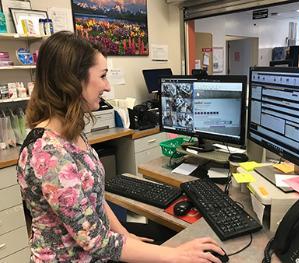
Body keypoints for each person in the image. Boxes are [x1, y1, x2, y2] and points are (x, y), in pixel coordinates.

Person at [17, 31, 225, 262]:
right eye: (103, 76)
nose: (107, 86)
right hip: (75, 257)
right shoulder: (48, 154)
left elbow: (94, 198)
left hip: (98, 247)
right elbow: (95, 241)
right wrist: (175, 255)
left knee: (167, 237)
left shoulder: (72, 132)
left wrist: (125, 234)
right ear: (73, 81)